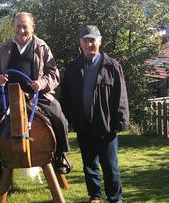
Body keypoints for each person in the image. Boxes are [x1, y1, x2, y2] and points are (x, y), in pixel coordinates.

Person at [0, 11, 71, 180]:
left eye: (25, 26)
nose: (21, 30)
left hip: (37, 94)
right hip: (9, 95)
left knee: (59, 117)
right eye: (18, 26)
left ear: (33, 27)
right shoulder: (4, 48)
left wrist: (42, 83)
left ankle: (61, 155)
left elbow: (54, 74)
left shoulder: (42, 47)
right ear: (13, 27)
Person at [61, 25, 129, 203]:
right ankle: (95, 196)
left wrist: (120, 122)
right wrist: (65, 120)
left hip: (106, 126)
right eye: (86, 40)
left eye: (93, 40)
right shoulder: (73, 68)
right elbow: (66, 97)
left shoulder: (112, 66)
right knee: (89, 165)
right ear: (80, 43)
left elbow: (121, 96)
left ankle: (115, 198)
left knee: (110, 166)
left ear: (99, 42)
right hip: (83, 125)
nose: (89, 44)